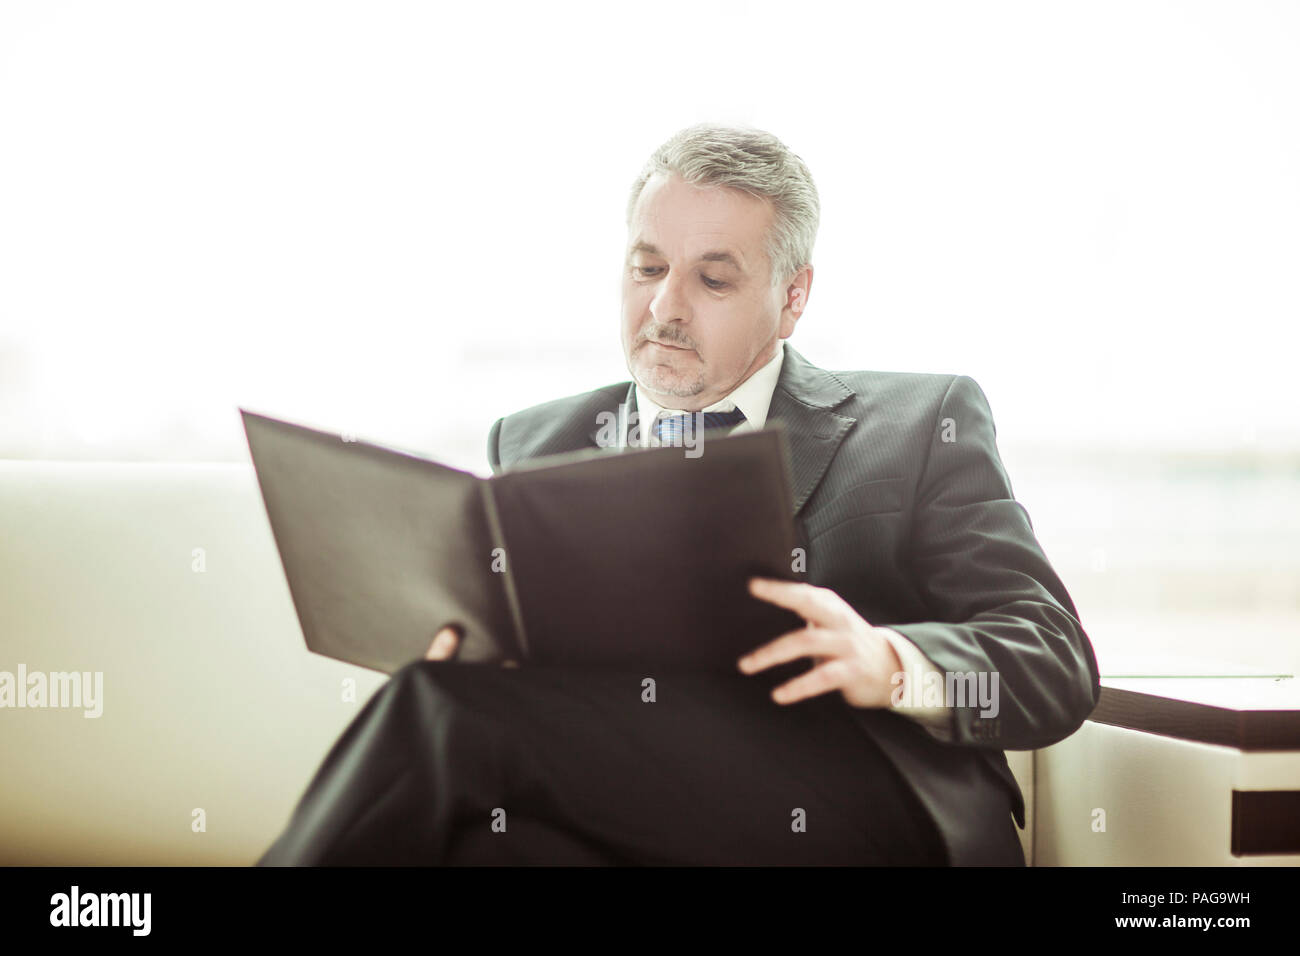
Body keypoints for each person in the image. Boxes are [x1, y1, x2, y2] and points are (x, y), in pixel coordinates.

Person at [257, 123, 1101, 867]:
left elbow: (1054, 661)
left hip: (862, 805)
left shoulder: (919, 426)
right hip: (635, 801)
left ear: (793, 299)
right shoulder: (533, 440)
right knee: (496, 843)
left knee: (441, 711)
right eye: (648, 267)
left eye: (713, 279)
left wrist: (886, 662)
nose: (664, 306)